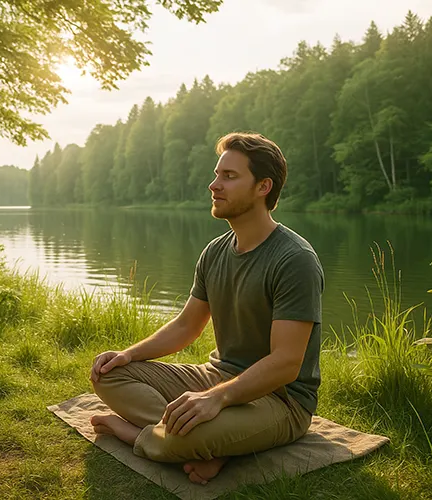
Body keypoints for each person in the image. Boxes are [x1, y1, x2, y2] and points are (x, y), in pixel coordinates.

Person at [89, 132, 324, 485]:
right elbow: (187, 326)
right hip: (217, 375)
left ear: (263, 187)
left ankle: (137, 434)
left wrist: (217, 398)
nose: (214, 185)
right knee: (108, 374)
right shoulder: (215, 252)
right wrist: (128, 355)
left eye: (229, 176)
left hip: (280, 399)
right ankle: (205, 443)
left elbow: (286, 363)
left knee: (187, 436)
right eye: (217, 175)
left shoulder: (294, 259)